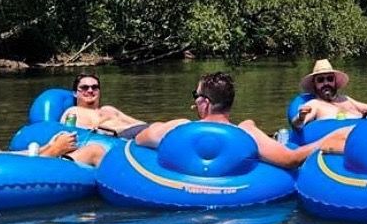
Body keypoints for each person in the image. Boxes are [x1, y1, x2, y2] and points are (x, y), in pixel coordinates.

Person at [136, 71, 345, 169]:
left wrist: (159, 126)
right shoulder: (247, 133)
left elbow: (140, 139)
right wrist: (327, 140)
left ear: (205, 103)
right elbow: (291, 159)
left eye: (196, 96)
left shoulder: (179, 127)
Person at [292, 60, 367, 128]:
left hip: (366, 129)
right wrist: (301, 117)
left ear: (334, 81)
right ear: (314, 84)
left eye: (329, 79)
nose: (326, 83)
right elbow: (298, 125)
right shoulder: (315, 104)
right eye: (320, 80)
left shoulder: (345, 99)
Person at [58, 73, 148, 139]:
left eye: (94, 87)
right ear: (75, 93)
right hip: (116, 138)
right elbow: (81, 131)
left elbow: (139, 122)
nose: (90, 90)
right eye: (84, 87)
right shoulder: (73, 111)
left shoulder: (109, 109)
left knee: (157, 127)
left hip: (136, 133)